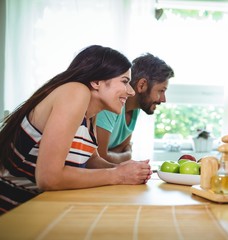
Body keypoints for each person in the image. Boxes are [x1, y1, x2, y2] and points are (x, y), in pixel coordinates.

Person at [0, 45, 152, 215]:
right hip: (10, 213)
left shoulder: (91, 112)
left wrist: (123, 168)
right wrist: (117, 174)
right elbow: (48, 178)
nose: (131, 92)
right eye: (125, 81)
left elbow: (91, 159)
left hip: (37, 209)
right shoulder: (75, 92)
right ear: (96, 82)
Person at [96, 53, 174, 164]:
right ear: (142, 85)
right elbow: (100, 158)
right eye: (161, 91)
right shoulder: (110, 105)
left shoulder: (135, 109)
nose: (163, 99)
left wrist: (116, 154)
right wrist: (127, 155)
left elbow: (122, 148)